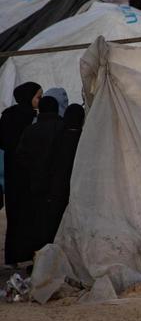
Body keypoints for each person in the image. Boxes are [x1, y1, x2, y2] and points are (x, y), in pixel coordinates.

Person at [15, 94, 65, 250]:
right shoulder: (63, 128)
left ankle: (39, 257)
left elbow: (20, 155)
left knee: (38, 220)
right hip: (60, 184)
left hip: (36, 182)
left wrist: (34, 169)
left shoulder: (31, 130)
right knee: (57, 221)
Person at [0, 82, 41, 265]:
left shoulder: (8, 116)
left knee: (14, 214)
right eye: (38, 97)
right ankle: (26, 254)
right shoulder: (30, 119)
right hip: (26, 173)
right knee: (28, 214)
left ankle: (12, 256)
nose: (39, 101)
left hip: (11, 172)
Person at [46, 103, 83, 240]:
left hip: (57, 186)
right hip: (77, 187)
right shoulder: (84, 138)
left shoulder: (58, 137)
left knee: (55, 221)